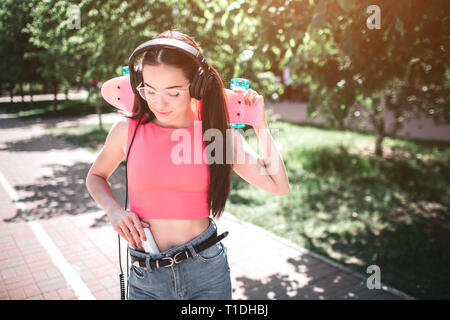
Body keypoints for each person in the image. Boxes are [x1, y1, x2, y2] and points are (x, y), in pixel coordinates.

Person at [85, 29, 290, 300]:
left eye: (172, 92)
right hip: (146, 275)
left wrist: (260, 125)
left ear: (196, 86)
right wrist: (113, 211)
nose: (159, 102)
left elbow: (278, 185)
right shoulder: (127, 130)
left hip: (206, 273)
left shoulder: (216, 136)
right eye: (150, 90)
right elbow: (96, 176)